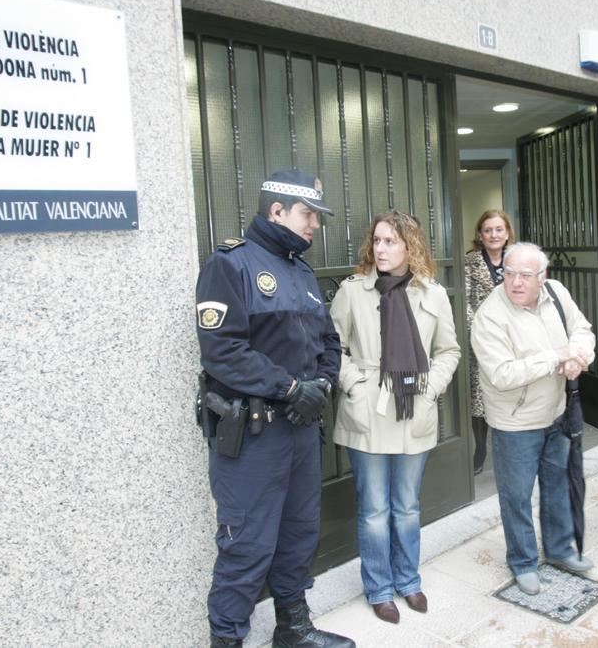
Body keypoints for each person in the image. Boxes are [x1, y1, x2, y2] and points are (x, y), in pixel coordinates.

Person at [195, 170, 354, 648]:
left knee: (299, 533)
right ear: (277, 211)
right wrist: (289, 387)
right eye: (309, 215)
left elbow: (328, 340)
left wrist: (321, 384)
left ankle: (293, 628)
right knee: (246, 546)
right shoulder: (231, 265)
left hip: (301, 430)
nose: (315, 226)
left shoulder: (301, 270)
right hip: (254, 436)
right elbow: (222, 351)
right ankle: (227, 640)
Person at [330, 211, 460, 624]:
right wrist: (355, 385)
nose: (381, 249)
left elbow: (449, 351)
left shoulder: (432, 294)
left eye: (390, 241)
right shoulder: (352, 292)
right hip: (368, 410)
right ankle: (379, 588)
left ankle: (408, 580)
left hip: (413, 409)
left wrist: (430, 387)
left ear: (410, 246)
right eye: (378, 241)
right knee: (373, 510)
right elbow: (331, 347)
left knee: (406, 506)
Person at [471, 242, 596, 596]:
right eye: (509, 274)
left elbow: (582, 330)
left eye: (526, 275)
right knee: (517, 496)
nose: (515, 282)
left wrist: (579, 356)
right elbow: (502, 373)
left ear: (543, 277)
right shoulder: (490, 315)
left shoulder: (556, 293)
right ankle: (523, 562)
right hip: (516, 423)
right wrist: (557, 357)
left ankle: (559, 551)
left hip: (557, 412)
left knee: (556, 487)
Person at [464, 209, 512, 475]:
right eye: (488, 230)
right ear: (480, 235)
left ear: (507, 233)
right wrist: (481, 335)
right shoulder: (469, 262)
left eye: (499, 229)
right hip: (480, 341)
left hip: (514, 340)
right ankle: (480, 449)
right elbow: (465, 303)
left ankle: (507, 449)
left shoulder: (518, 259)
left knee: (510, 393)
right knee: (479, 399)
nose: (494, 235)